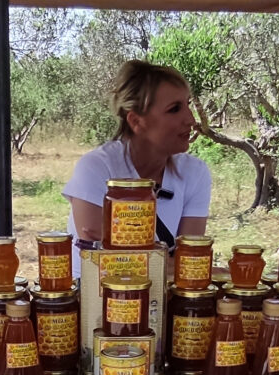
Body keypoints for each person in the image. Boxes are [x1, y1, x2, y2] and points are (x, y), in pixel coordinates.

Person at [62, 60, 213, 275]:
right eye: (174, 109)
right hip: (96, 297)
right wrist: (178, 266)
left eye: (188, 105)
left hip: (162, 296)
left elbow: (189, 255)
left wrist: (184, 267)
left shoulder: (195, 173)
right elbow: (96, 247)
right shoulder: (97, 167)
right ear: (136, 121)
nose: (190, 119)